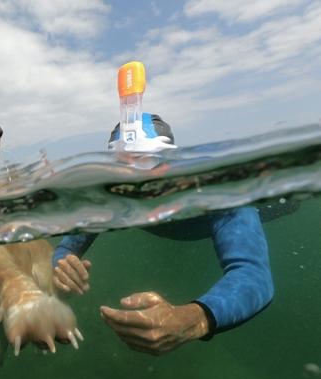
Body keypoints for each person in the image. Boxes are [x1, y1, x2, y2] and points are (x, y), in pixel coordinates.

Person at [52, 115, 274, 355]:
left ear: (170, 161)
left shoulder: (220, 189)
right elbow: (66, 249)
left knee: (273, 206)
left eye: (148, 162)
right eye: (120, 167)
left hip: (261, 204)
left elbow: (254, 275)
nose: (136, 181)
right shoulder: (111, 196)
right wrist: (61, 266)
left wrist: (193, 319)